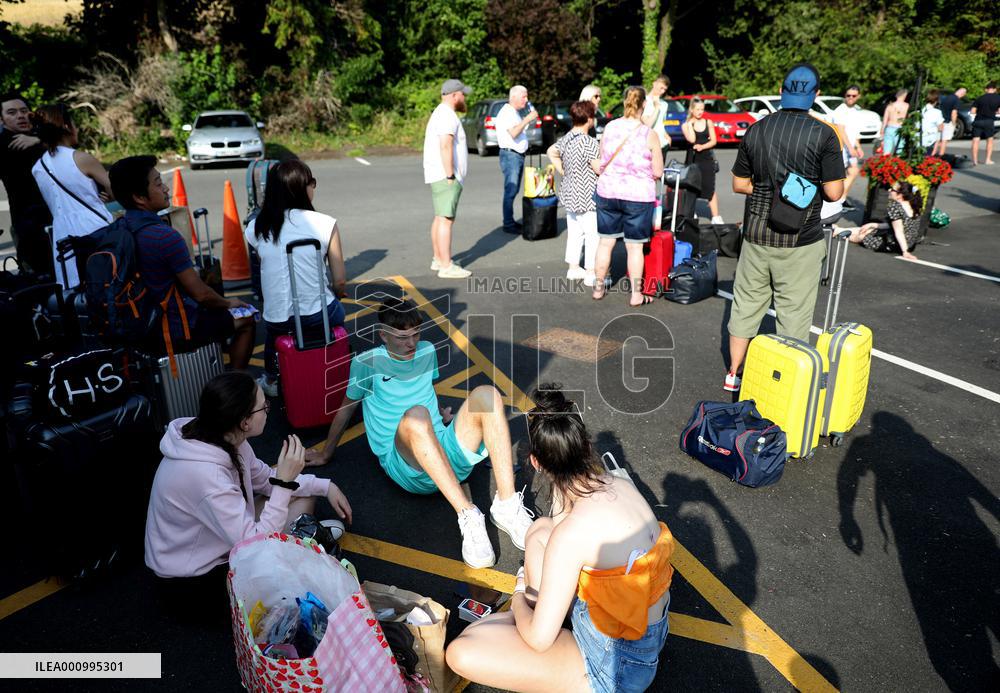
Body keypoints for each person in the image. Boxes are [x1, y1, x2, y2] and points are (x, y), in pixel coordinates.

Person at [446, 386, 674, 693]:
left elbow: (539, 641)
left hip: (613, 671)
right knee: (540, 530)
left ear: (536, 462)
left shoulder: (571, 535)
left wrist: (518, 594)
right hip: (643, 635)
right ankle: (536, 619)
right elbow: (558, 519)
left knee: (462, 651)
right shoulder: (617, 483)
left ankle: (532, 619)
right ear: (585, 444)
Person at [305, 297, 535, 569]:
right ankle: (468, 514)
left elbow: (425, 390)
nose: (411, 343)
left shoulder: (426, 351)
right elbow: (346, 408)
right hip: (408, 467)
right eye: (403, 337)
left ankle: (506, 504)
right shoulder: (367, 364)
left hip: (447, 454)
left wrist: (441, 414)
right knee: (416, 416)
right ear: (384, 335)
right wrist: (325, 452)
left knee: (488, 395)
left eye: (416, 334)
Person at [145, 372, 352, 614]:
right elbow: (254, 546)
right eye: (264, 406)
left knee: (304, 495)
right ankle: (303, 541)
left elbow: (264, 480)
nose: (268, 409)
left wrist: (326, 486)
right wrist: (284, 482)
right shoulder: (205, 476)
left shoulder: (222, 433)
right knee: (289, 592)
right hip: (192, 583)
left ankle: (301, 539)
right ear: (244, 422)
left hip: (219, 541)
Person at [725, 63, 845, 392]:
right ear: (816, 94)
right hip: (800, 239)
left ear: (781, 90)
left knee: (746, 305)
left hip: (756, 234)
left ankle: (734, 373)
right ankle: (783, 384)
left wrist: (767, 190)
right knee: (793, 314)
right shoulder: (824, 134)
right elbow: (835, 192)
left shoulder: (757, 129)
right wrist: (800, 192)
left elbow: (738, 183)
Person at [108, 156, 255, 368]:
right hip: (176, 327)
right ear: (140, 197)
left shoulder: (118, 229)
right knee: (247, 318)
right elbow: (201, 295)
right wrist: (229, 302)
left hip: (135, 326)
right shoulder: (164, 236)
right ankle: (235, 386)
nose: (166, 189)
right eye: (158, 184)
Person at [244, 159, 347, 398]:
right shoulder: (325, 223)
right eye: (312, 182)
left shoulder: (257, 226)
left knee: (275, 334)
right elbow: (340, 280)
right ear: (303, 188)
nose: (314, 187)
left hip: (277, 317)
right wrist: (338, 293)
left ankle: (271, 377)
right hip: (318, 314)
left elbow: (264, 263)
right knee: (336, 315)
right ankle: (332, 364)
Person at [590, 86, 664, 307]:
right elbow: (658, 172)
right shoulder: (649, 134)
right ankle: (635, 294)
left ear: (625, 103)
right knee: (634, 246)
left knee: (605, 242)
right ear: (643, 105)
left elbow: (602, 158)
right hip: (638, 196)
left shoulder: (610, 127)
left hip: (608, 191)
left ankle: (598, 288)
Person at [30, 103, 113, 288]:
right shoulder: (81, 158)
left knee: (77, 289)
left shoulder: (37, 168)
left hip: (62, 235)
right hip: (94, 229)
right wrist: (107, 197)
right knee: (109, 284)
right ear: (67, 127)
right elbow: (115, 189)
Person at [546, 100, 600, 286]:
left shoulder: (567, 137)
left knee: (575, 232)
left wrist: (564, 170)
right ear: (589, 119)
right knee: (592, 234)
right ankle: (591, 272)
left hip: (569, 190)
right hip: (587, 193)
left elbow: (551, 152)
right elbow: (597, 168)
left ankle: (573, 267)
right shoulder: (590, 142)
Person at [423, 79, 472, 279]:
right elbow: (445, 145)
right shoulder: (447, 115)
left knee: (439, 217)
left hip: (439, 174)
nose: (464, 97)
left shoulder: (440, 113)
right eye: (463, 94)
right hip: (445, 176)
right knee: (446, 219)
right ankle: (446, 265)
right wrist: (450, 174)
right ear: (454, 95)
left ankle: (438, 259)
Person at [0, 93, 53, 276]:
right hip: (30, 226)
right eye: (12, 113)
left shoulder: (39, 136)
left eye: (24, 111)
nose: (20, 116)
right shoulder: (5, 144)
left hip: (56, 217)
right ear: (2, 119)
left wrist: (39, 139)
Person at [495, 85, 539, 233]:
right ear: (513, 96)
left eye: (526, 97)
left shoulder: (513, 112)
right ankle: (508, 224)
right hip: (511, 155)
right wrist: (527, 119)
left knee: (513, 190)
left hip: (515, 155)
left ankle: (510, 222)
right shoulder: (507, 112)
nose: (526, 100)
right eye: (523, 97)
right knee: (511, 190)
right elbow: (514, 133)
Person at [844, 182, 921, 260]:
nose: (889, 190)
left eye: (892, 190)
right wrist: (872, 224)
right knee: (870, 229)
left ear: (900, 195)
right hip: (909, 243)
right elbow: (895, 225)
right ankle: (839, 230)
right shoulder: (912, 204)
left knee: (862, 236)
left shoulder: (895, 206)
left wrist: (905, 252)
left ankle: (840, 234)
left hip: (895, 244)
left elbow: (899, 231)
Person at [682, 97, 723, 224]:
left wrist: (702, 147)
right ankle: (691, 213)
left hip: (706, 158)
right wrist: (690, 125)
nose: (700, 112)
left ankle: (716, 217)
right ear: (692, 110)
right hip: (693, 159)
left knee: (710, 186)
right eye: (698, 109)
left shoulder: (708, 122)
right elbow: (692, 140)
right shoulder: (685, 125)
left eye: (702, 109)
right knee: (692, 187)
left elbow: (714, 141)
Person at [830, 85, 866, 209]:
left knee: (853, 171)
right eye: (848, 95)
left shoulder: (856, 110)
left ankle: (841, 199)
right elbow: (841, 130)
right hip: (840, 147)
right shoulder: (841, 110)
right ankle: (836, 201)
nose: (850, 98)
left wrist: (858, 147)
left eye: (854, 96)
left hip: (850, 147)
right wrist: (850, 148)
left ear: (858, 96)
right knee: (839, 175)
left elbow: (854, 132)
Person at [641, 75, 671, 161]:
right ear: (654, 83)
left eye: (665, 89)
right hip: (648, 144)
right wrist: (657, 107)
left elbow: (661, 124)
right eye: (661, 88)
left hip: (662, 144)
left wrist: (667, 137)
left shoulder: (664, 104)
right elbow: (648, 124)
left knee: (660, 173)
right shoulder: (644, 101)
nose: (662, 91)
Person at [970, 81, 1000, 166]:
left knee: (975, 140)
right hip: (989, 121)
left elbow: (972, 111)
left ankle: (975, 161)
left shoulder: (979, 98)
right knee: (990, 140)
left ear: (986, 89)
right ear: (995, 89)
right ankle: (987, 160)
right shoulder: (998, 98)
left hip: (978, 121)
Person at [933, 87, 966, 157]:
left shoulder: (947, 97)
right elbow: (954, 113)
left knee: (937, 140)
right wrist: (954, 123)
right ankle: (941, 155)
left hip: (940, 121)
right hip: (947, 122)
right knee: (945, 140)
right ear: (963, 94)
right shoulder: (956, 100)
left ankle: (932, 154)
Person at [880, 89, 909, 155]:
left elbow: (885, 120)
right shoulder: (906, 106)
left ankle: (885, 163)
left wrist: (882, 131)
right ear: (905, 96)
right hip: (900, 129)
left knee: (886, 150)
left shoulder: (890, 106)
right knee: (900, 150)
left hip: (889, 128)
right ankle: (899, 164)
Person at [920, 89, 945, 157]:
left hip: (917, 140)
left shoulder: (920, 110)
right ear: (937, 100)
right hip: (929, 141)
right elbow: (941, 128)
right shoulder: (937, 112)